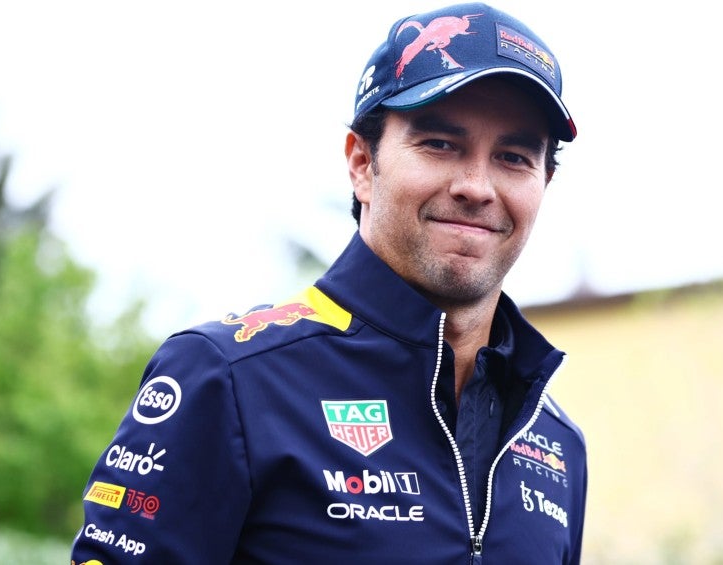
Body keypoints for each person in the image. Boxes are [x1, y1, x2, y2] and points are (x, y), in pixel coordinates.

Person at [70, 2, 587, 563]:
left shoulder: (557, 444)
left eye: (513, 157)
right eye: (440, 144)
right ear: (362, 163)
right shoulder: (228, 377)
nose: (477, 187)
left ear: (544, 182)